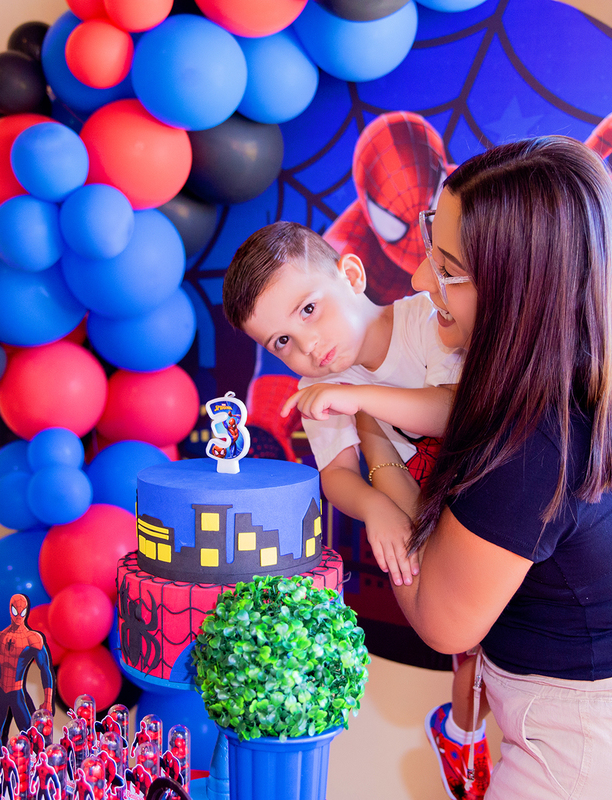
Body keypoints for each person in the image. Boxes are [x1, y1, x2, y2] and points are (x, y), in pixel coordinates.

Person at [350, 136, 612, 800]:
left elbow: (445, 619)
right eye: (427, 248)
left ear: (520, 288)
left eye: (447, 268)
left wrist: (379, 478)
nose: (421, 283)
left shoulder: (535, 440)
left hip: (606, 752)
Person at [223, 222, 495, 799]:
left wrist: (357, 398)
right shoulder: (320, 382)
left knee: (493, 637)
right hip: (426, 521)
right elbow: (337, 475)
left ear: (350, 274)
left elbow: (451, 410)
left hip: (479, 504)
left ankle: (462, 731)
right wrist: (373, 508)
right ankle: (464, 733)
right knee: (466, 640)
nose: (305, 347)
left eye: (309, 310)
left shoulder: (426, 321)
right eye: (280, 343)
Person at [0, 593, 54, 739]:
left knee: (32, 737)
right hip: (1, 693)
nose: (19, 616)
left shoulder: (32, 639)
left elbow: (45, 668)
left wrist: (48, 700)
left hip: (17, 693)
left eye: (22, 612)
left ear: (26, 611)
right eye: (15, 611)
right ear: (10, 610)